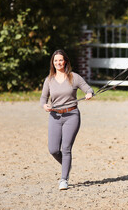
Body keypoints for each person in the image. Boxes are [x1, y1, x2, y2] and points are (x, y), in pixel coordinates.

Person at [40, 49, 94, 190]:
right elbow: (43, 98)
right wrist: (44, 105)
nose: (58, 63)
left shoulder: (74, 77)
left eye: (60, 60)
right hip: (55, 116)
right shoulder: (49, 80)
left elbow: (88, 89)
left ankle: (64, 179)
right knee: (53, 149)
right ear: (53, 63)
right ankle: (66, 164)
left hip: (72, 115)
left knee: (66, 148)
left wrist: (88, 93)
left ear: (65, 62)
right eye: (55, 60)